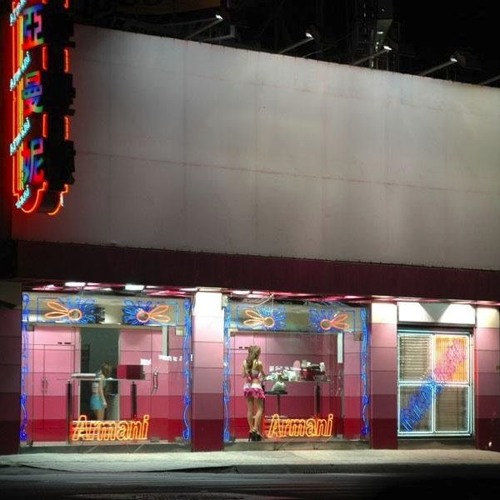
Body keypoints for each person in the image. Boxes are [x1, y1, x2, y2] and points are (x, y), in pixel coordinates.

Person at [242, 345, 266, 441]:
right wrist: (263, 375)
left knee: (250, 410)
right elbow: (263, 375)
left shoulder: (245, 362)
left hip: (247, 386)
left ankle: (251, 429)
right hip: (256, 386)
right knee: (260, 408)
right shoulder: (259, 363)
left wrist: (247, 373)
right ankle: (256, 428)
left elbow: (243, 375)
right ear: (257, 353)